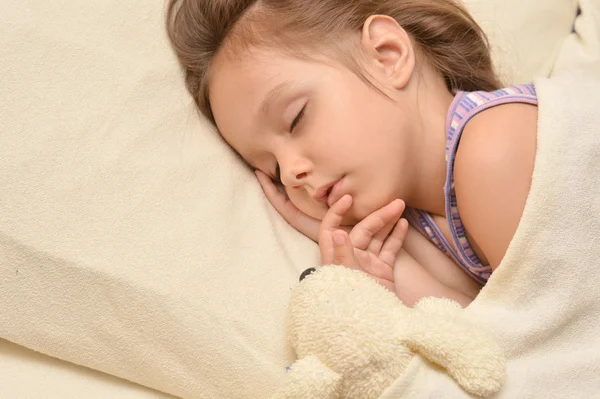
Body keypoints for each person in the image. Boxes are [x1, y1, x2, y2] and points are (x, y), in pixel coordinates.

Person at [166, 0, 538, 307]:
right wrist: (386, 269)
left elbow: (552, 354)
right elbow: (487, 344)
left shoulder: (495, 147)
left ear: (387, 55)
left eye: (296, 119)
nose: (292, 173)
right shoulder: (420, 226)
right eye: (273, 170)